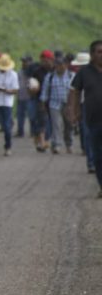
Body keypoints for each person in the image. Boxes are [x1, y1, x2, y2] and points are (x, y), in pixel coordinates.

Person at [69, 40, 102, 196]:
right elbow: (75, 91)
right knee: (97, 156)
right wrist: (74, 111)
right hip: (93, 119)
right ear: (92, 55)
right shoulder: (84, 72)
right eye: (99, 52)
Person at [41, 54, 74, 153]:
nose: (60, 67)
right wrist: (43, 103)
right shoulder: (50, 76)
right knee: (57, 125)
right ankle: (57, 145)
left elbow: (75, 90)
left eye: (62, 64)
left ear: (66, 65)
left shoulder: (71, 76)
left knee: (69, 125)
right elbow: (45, 91)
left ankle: (69, 144)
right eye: (58, 65)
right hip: (54, 104)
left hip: (68, 105)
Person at [31, 49, 55, 152]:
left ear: (51, 60)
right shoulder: (37, 71)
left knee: (50, 120)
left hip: (53, 99)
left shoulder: (55, 71)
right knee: (40, 120)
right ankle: (41, 141)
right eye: (42, 59)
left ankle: (46, 140)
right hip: (39, 98)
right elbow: (32, 85)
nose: (44, 62)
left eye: (46, 60)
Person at [15, 55, 36, 138]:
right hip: (20, 96)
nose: (24, 63)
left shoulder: (33, 72)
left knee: (31, 115)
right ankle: (20, 131)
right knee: (20, 115)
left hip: (30, 97)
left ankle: (33, 132)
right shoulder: (19, 72)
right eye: (23, 61)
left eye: (25, 61)